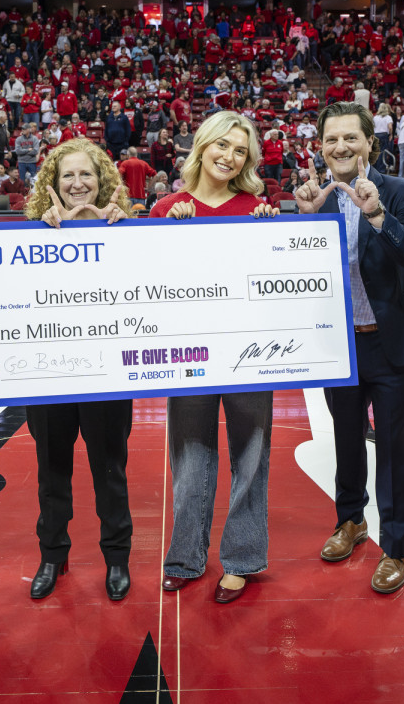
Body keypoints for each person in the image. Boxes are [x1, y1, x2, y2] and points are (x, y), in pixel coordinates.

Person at [293, 101, 404, 594]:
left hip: (391, 342)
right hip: (340, 345)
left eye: (350, 138)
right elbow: (299, 274)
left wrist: (375, 213)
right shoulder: (314, 199)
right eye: (331, 139)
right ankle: (350, 522)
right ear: (321, 147)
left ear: (370, 142)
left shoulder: (400, 191)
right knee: (346, 441)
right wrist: (304, 221)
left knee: (394, 450)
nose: (340, 147)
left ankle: (395, 547)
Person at [150, 110, 278, 604]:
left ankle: (242, 559)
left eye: (240, 150)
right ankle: (185, 557)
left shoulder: (257, 208)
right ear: (201, 146)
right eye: (221, 146)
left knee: (251, 456)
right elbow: (148, 283)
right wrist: (169, 235)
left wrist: (273, 232)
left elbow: (275, 283)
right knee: (189, 458)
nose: (229, 156)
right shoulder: (166, 208)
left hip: (248, 353)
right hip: (189, 353)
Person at [21, 138, 135, 601]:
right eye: (67, 175)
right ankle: (52, 555)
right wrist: (51, 236)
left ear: (102, 179)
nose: (77, 183)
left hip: (107, 373)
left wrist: (123, 237)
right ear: (52, 184)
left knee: (110, 470)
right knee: (51, 471)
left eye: (85, 174)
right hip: (49, 375)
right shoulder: (30, 234)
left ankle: (116, 558)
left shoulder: (124, 229)